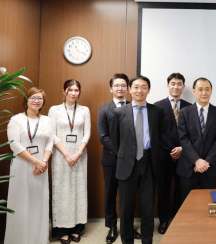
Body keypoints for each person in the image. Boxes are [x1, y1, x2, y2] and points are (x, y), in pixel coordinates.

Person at [111, 76, 162, 244]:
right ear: (130, 90)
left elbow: (160, 138)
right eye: (136, 87)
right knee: (126, 209)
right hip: (127, 164)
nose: (140, 90)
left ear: (148, 90)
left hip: (149, 163)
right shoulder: (118, 112)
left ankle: (147, 240)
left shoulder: (157, 112)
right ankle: (127, 241)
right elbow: (115, 141)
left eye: (144, 87)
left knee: (148, 208)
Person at [4, 87, 54, 244]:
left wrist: (43, 162)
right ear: (26, 100)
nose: (36, 100)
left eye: (40, 98)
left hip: (41, 169)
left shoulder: (47, 120)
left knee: (38, 204)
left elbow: (50, 143)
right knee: (20, 204)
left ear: (43, 102)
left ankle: (38, 240)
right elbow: (14, 145)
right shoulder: (16, 120)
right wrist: (36, 162)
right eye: (33, 97)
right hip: (22, 167)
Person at [49, 80, 91, 243]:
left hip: (80, 156)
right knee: (62, 191)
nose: (74, 93)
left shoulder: (84, 110)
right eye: (70, 90)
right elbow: (52, 134)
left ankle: (77, 228)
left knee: (78, 190)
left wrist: (78, 153)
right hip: (61, 155)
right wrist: (67, 154)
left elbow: (86, 133)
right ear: (64, 91)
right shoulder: (54, 110)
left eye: (76, 90)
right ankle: (62, 229)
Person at [177, 77, 216, 206]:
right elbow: (183, 139)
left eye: (207, 89)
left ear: (211, 91)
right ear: (194, 91)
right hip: (189, 167)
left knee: (207, 203)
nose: (204, 93)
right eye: (200, 89)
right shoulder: (184, 112)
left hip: (210, 168)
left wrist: (206, 161)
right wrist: (197, 160)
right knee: (187, 204)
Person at [153, 72, 191, 234]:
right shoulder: (157, 106)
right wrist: (171, 149)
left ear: (183, 86)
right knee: (164, 189)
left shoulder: (190, 107)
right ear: (168, 85)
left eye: (179, 84)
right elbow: (156, 133)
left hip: (185, 155)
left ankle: (178, 219)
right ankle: (163, 220)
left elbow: (192, 132)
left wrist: (182, 148)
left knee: (181, 189)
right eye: (173, 83)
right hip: (164, 155)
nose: (176, 86)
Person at [98, 73, 129, 243]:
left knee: (128, 194)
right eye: (117, 85)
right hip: (111, 159)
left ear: (128, 88)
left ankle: (127, 227)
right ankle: (111, 227)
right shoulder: (104, 109)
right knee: (110, 193)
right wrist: (121, 152)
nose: (120, 88)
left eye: (123, 85)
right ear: (111, 88)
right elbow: (103, 136)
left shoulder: (134, 106)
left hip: (131, 161)